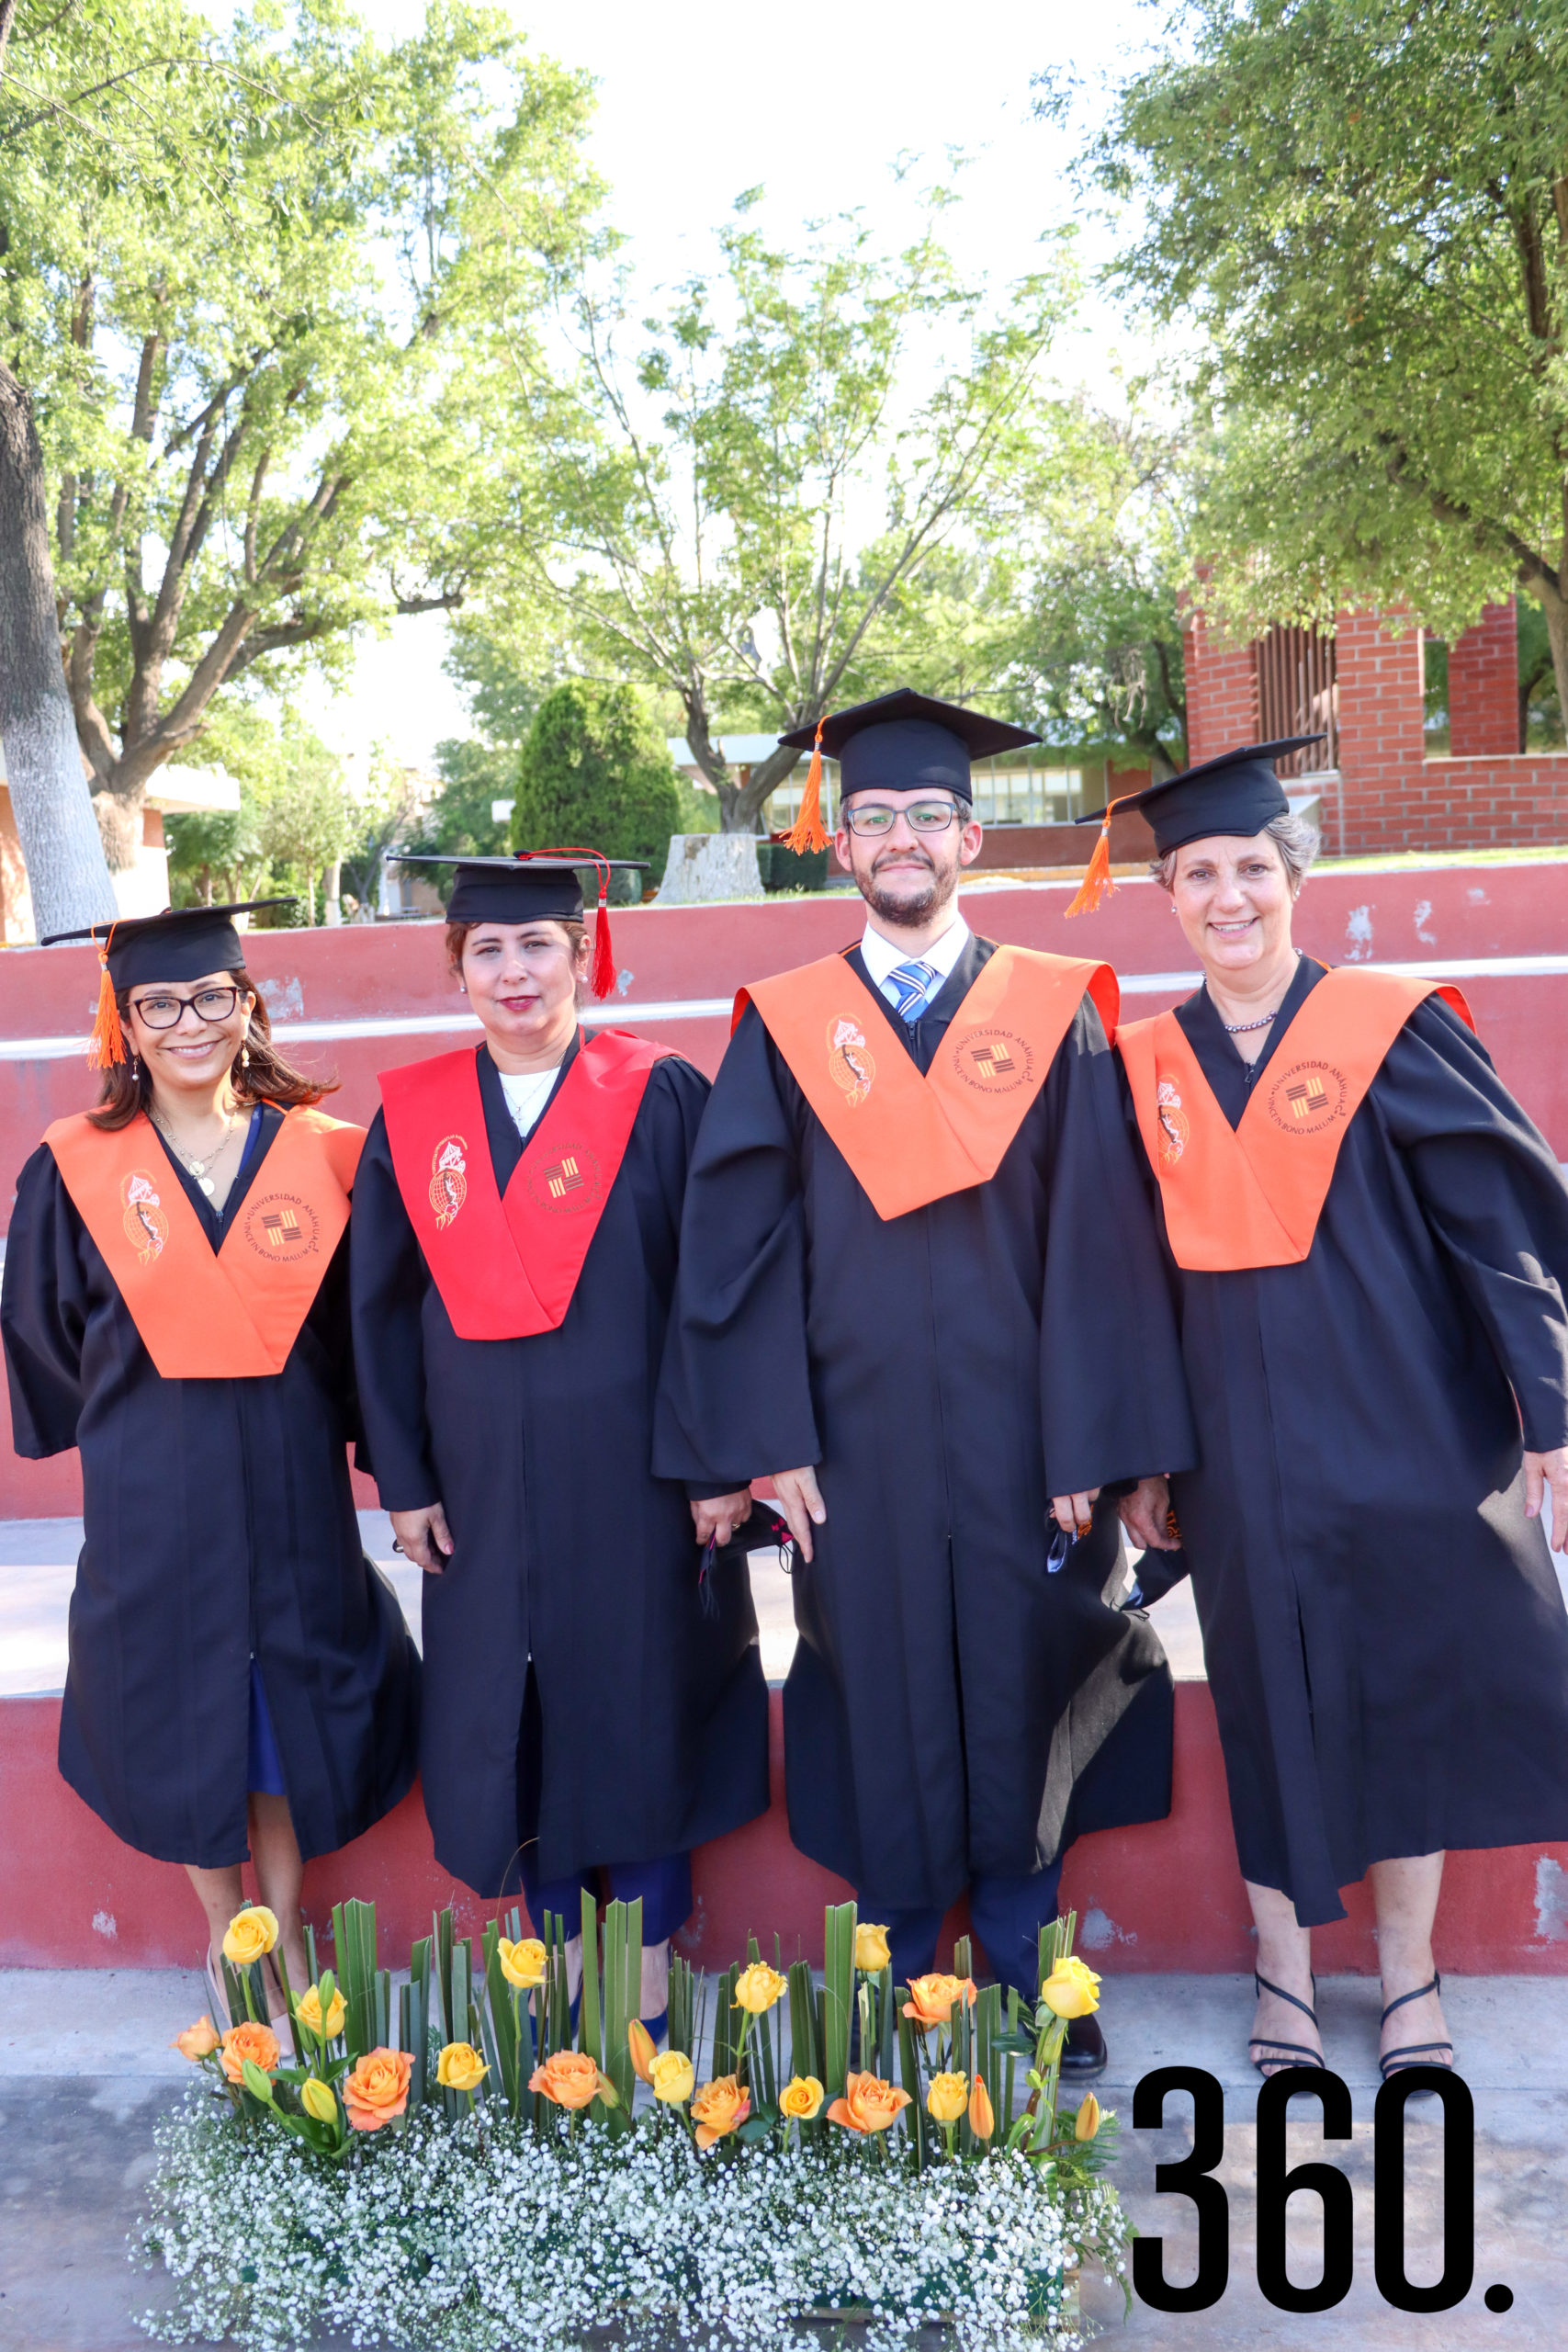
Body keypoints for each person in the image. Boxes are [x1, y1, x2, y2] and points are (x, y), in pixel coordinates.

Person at [654, 690, 1196, 2075]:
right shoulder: (784, 1027)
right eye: (872, 817)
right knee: (875, 1680)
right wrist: (767, 1438)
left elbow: (1097, 1239)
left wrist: (1092, 1438)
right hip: (851, 1443)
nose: (899, 840)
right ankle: (898, 1955)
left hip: (1027, 1441)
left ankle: (1020, 1953)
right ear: (837, 847)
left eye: (924, 818)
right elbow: (734, 1247)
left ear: (969, 839)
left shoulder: (1050, 1012)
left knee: (1026, 1675)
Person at [1097, 738, 1568, 2080]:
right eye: (1196, 873)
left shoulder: (1386, 1025)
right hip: (1234, 1453)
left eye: (1250, 865)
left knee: (1404, 1690)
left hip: (1402, 1428)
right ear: (1168, 897)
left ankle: (1407, 1979)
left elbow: (1493, 1225)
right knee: (1261, 1697)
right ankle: (1283, 1975)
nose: (1226, 894)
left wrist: (1544, 1404)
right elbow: (1119, 1281)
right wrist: (1144, 1455)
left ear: (1293, 877)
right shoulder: (1138, 1067)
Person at [348, 853, 768, 2030]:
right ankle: (558, 1974)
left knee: (642, 1707)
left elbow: (710, 1292)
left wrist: (712, 1464)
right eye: (488, 949)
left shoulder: (660, 1093)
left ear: (582, 955)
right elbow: (378, 1311)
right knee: (513, 1717)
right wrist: (408, 1478)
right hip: (479, 1492)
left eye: (538, 946)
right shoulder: (415, 1115)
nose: (515, 971)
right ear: (459, 967)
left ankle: (636, 1986)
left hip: (640, 1484)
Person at [1, 903, 420, 2030]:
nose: (188, 1021)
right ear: (124, 1024)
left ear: (249, 1005)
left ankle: (284, 1928)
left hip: (290, 1484)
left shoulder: (322, 1153)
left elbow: (365, 1327)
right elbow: (42, 1329)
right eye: (159, 1004)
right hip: (154, 1490)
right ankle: (228, 1936)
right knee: (182, 1712)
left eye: (211, 996)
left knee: (280, 1708)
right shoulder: (76, 1168)